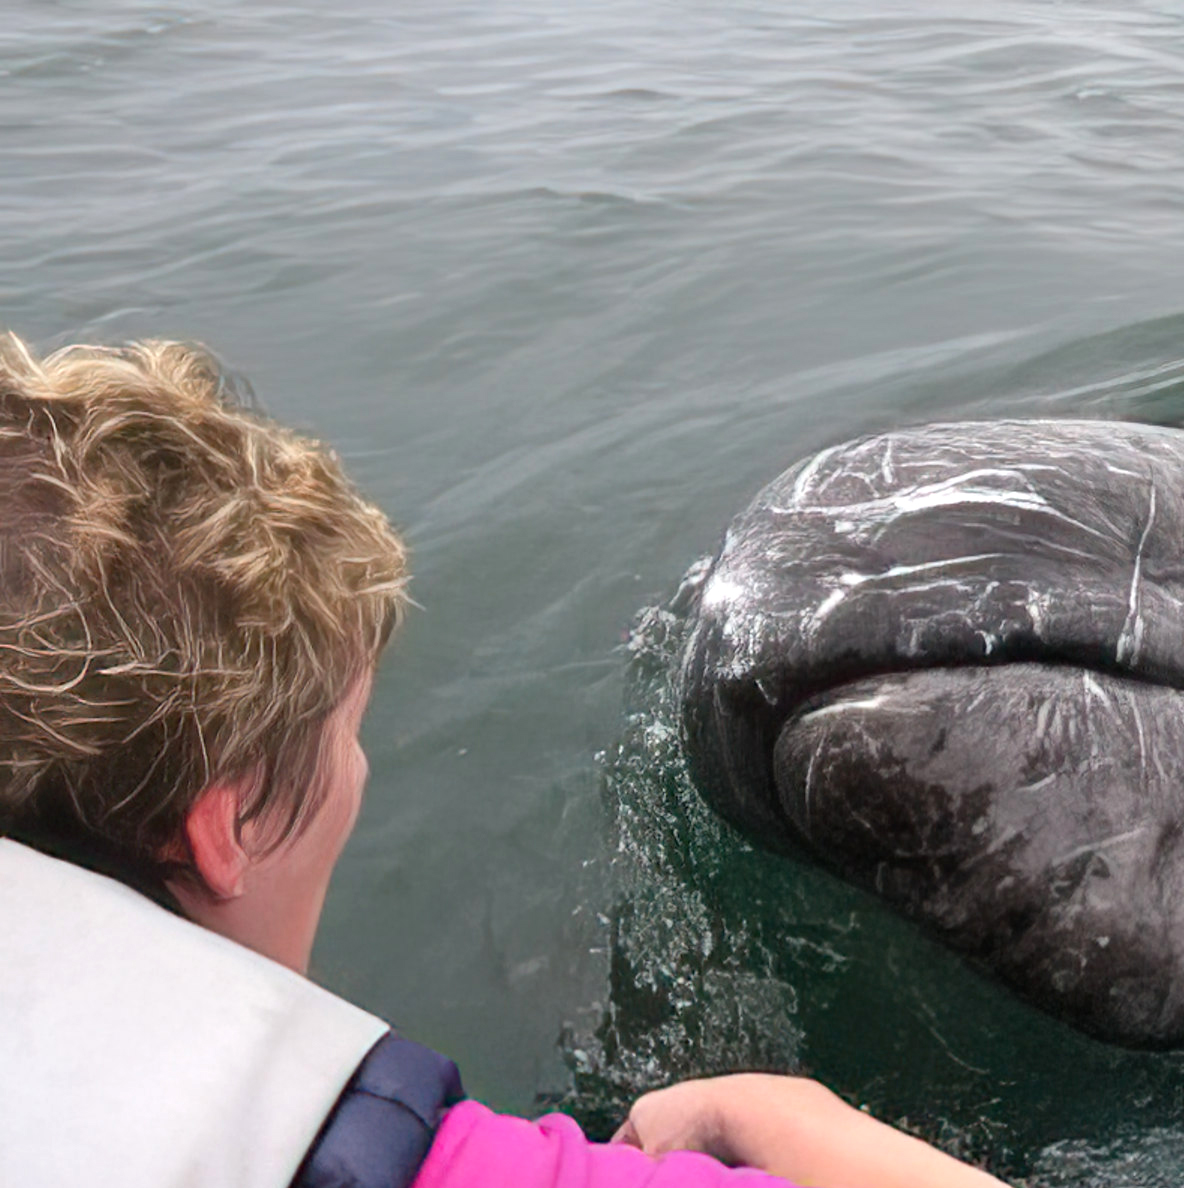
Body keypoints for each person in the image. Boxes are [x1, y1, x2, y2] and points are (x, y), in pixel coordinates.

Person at [0, 334, 1009, 1188]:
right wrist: (780, 1119)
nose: (358, 769)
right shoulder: (396, 1161)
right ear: (235, 827)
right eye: (348, 735)